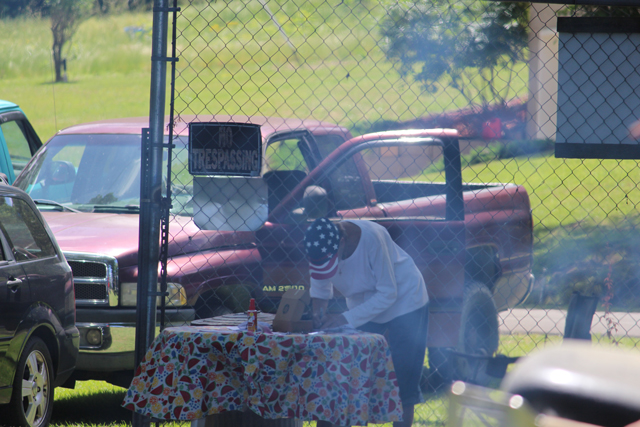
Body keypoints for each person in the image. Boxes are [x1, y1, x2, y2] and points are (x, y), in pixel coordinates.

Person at [304, 217, 429, 427]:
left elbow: (388, 293)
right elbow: (320, 287)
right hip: (363, 307)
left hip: (405, 301)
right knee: (343, 376)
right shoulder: (320, 245)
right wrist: (318, 315)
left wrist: (345, 318)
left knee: (402, 384)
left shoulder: (371, 237)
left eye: (330, 262)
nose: (327, 268)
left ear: (342, 242)